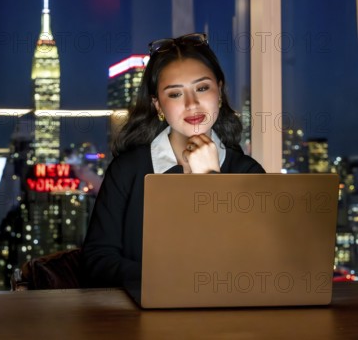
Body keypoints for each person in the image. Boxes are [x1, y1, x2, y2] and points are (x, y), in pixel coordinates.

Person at [81, 33, 265, 287]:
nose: (192, 104)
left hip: (226, 322)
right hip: (140, 320)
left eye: (202, 88)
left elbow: (252, 266)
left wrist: (211, 181)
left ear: (219, 92)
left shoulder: (248, 174)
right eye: (175, 94)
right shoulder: (128, 171)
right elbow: (97, 262)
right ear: (158, 105)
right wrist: (170, 282)